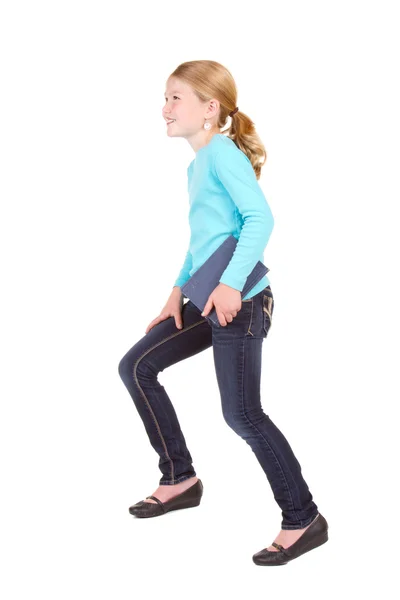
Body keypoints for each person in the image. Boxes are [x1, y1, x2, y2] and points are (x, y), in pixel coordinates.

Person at [118, 60, 328, 566]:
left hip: (243, 300)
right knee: (138, 367)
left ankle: (303, 518)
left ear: (210, 108)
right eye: (165, 97)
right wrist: (175, 292)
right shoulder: (198, 164)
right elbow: (206, 239)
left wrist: (233, 284)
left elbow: (260, 218)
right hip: (209, 296)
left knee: (242, 414)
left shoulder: (222, 154)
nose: (164, 107)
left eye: (175, 98)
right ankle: (180, 477)